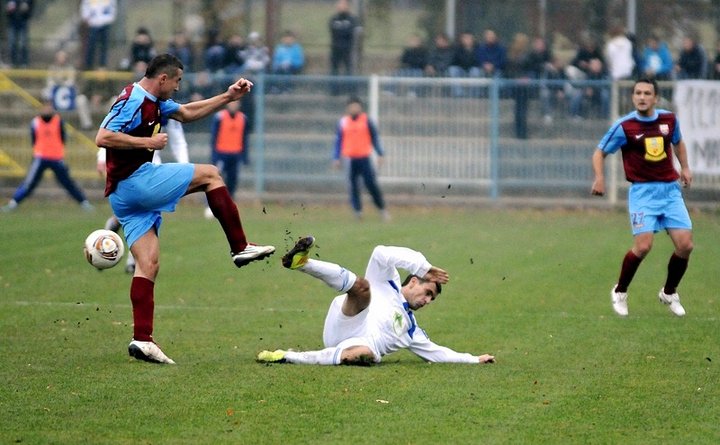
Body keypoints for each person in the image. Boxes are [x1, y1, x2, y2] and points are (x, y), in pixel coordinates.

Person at [94, 54, 275, 364]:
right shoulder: (134, 97)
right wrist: (146, 145)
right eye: (177, 81)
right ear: (163, 79)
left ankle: (142, 340)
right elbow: (103, 136)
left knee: (148, 264)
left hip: (124, 196)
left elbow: (188, 113)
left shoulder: (155, 100)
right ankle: (239, 246)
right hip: (134, 182)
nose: (178, 87)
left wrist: (228, 96)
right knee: (211, 175)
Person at [257, 236, 496, 366]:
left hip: (356, 347)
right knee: (362, 288)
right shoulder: (387, 281)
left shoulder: (411, 330)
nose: (428, 301)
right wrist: (423, 266)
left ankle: (286, 356)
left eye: (431, 299)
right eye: (428, 292)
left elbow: (437, 353)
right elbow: (382, 252)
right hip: (347, 320)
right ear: (413, 281)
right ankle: (302, 263)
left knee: (366, 355)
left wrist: (473, 359)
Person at [591, 78, 693, 317]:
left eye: (647, 93)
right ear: (633, 97)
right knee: (644, 246)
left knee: (685, 245)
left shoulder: (668, 119)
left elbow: (678, 142)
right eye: (638, 93)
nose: (642, 97)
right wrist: (599, 178)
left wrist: (685, 168)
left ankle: (669, 292)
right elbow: (599, 152)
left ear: (655, 98)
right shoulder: (625, 126)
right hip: (643, 193)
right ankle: (620, 291)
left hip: (669, 190)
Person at [2, 100, 93, 212]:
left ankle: (84, 202)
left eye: (49, 107)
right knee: (29, 183)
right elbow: (34, 139)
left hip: (56, 157)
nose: (47, 109)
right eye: (45, 107)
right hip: (40, 157)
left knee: (68, 183)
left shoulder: (58, 121)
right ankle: (13, 203)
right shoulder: (35, 122)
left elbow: (63, 138)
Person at [333, 97, 389, 221]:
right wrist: (336, 157)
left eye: (356, 106)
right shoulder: (343, 122)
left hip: (364, 158)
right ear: (348, 108)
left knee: (371, 184)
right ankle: (358, 212)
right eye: (352, 106)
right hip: (350, 159)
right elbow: (338, 141)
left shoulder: (366, 121)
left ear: (360, 107)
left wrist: (380, 153)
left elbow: (375, 138)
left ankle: (382, 209)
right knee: (353, 186)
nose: (354, 108)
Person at [203, 100, 249, 218]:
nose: (233, 105)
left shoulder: (243, 118)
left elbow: (245, 138)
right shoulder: (219, 117)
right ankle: (210, 205)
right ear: (228, 104)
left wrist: (244, 156)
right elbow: (214, 137)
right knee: (215, 180)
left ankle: (229, 206)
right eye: (232, 103)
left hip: (235, 154)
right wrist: (214, 156)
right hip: (221, 154)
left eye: (236, 103)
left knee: (232, 181)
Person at [43, 49, 93, 130]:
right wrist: (57, 86)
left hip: (69, 96)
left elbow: (71, 82)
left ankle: (87, 125)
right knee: (45, 93)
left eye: (63, 57)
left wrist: (63, 85)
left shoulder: (70, 68)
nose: (62, 59)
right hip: (56, 96)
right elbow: (49, 82)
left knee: (81, 100)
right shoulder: (52, 68)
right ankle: (47, 123)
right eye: (60, 57)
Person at [328, 0, 361, 77]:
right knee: (334, 70)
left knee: (348, 69)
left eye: (342, 4)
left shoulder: (352, 19)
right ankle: (334, 88)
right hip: (335, 48)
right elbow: (333, 31)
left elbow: (351, 32)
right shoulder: (334, 19)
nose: (340, 6)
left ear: (347, 6)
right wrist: (344, 30)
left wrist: (342, 31)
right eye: (339, 4)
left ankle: (349, 88)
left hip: (347, 49)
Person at [81, 0, 116, 69]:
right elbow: (85, 8)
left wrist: (105, 20)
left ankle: (102, 65)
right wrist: (88, 19)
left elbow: (112, 10)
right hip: (93, 24)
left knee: (104, 45)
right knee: (91, 45)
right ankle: (89, 65)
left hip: (105, 23)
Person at [5, 0, 33, 67]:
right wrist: (9, 9)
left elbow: (30, 10)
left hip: (23, 24)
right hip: (13, 23)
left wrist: (27, 9)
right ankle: (13, 63)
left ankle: (24, 63)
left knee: (23, 44)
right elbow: (7, 11)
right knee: (12, 44)